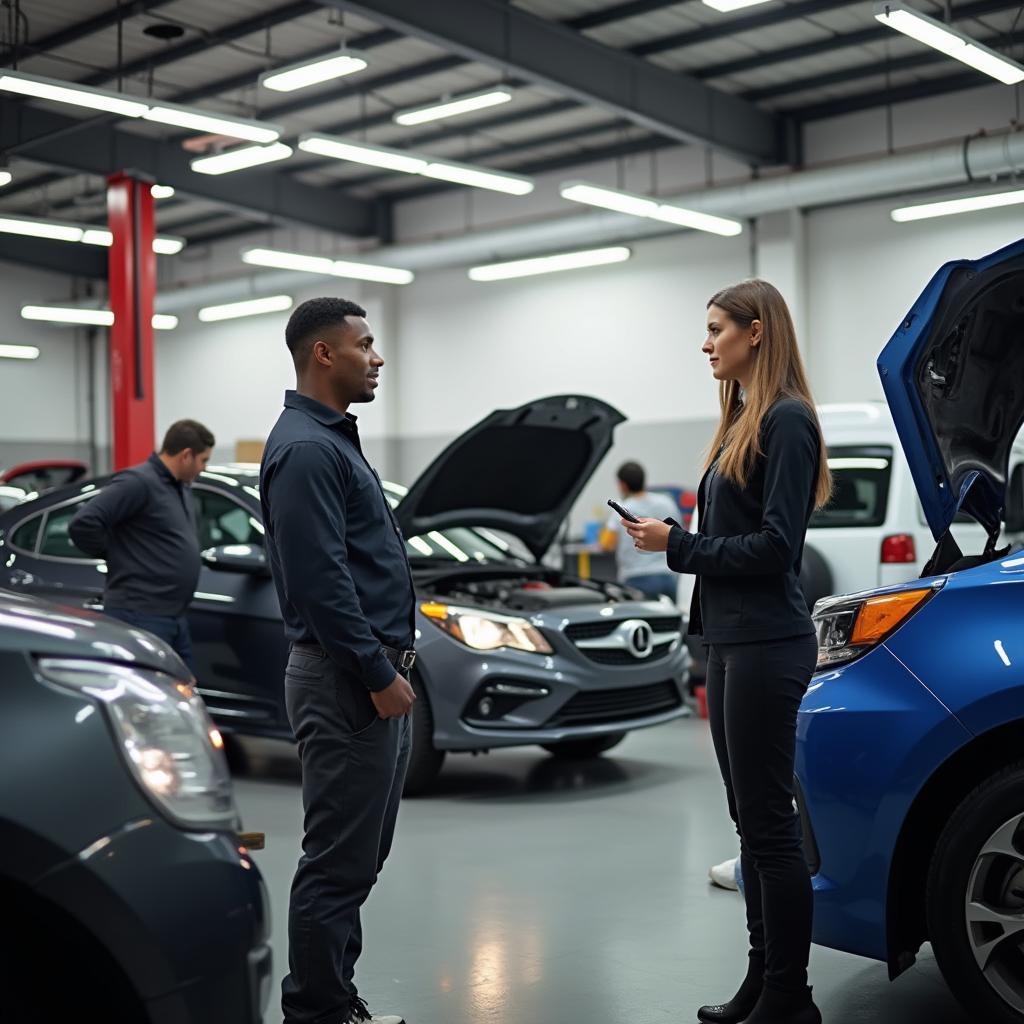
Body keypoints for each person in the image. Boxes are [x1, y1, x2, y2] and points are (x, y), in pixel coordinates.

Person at [623, 280, 831, 1024]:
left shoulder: (787, 422)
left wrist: (675, 544)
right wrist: (685, 543)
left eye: (716, 329)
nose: (706, 343)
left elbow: (780, 548)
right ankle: (761, 980)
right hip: (731, 643)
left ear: (756, 332)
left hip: (769, 645)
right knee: (749, 822)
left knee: (770, 825)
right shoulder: (742, 419)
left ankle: (788, 996)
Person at [260, 297, 416, 1024]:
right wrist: (377, 673)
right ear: (325, 354)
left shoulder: (329, 441)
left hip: (364, 673)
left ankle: (334, 999)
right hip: (344, 678)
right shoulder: (306, 450)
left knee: (358, 859)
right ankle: (316, 1010)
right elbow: (321, 582)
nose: (376, 357)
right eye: (365, 344)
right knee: (335, 861)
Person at [69, 419, 214, 669]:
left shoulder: (180, 488)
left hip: (173, 618)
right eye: (203, 460)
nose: (203, 468)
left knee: (181, 694)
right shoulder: (138, 483)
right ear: (186, 455)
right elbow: (84, 523)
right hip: (140, 614)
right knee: (145, 697)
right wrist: (117, 556)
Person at [599, 461, 680, 601]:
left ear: (623, 485)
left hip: (636, 579)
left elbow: (606, 544)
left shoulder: (622, 508)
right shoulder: (666, 502)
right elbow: (679, 532)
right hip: (668, 576)